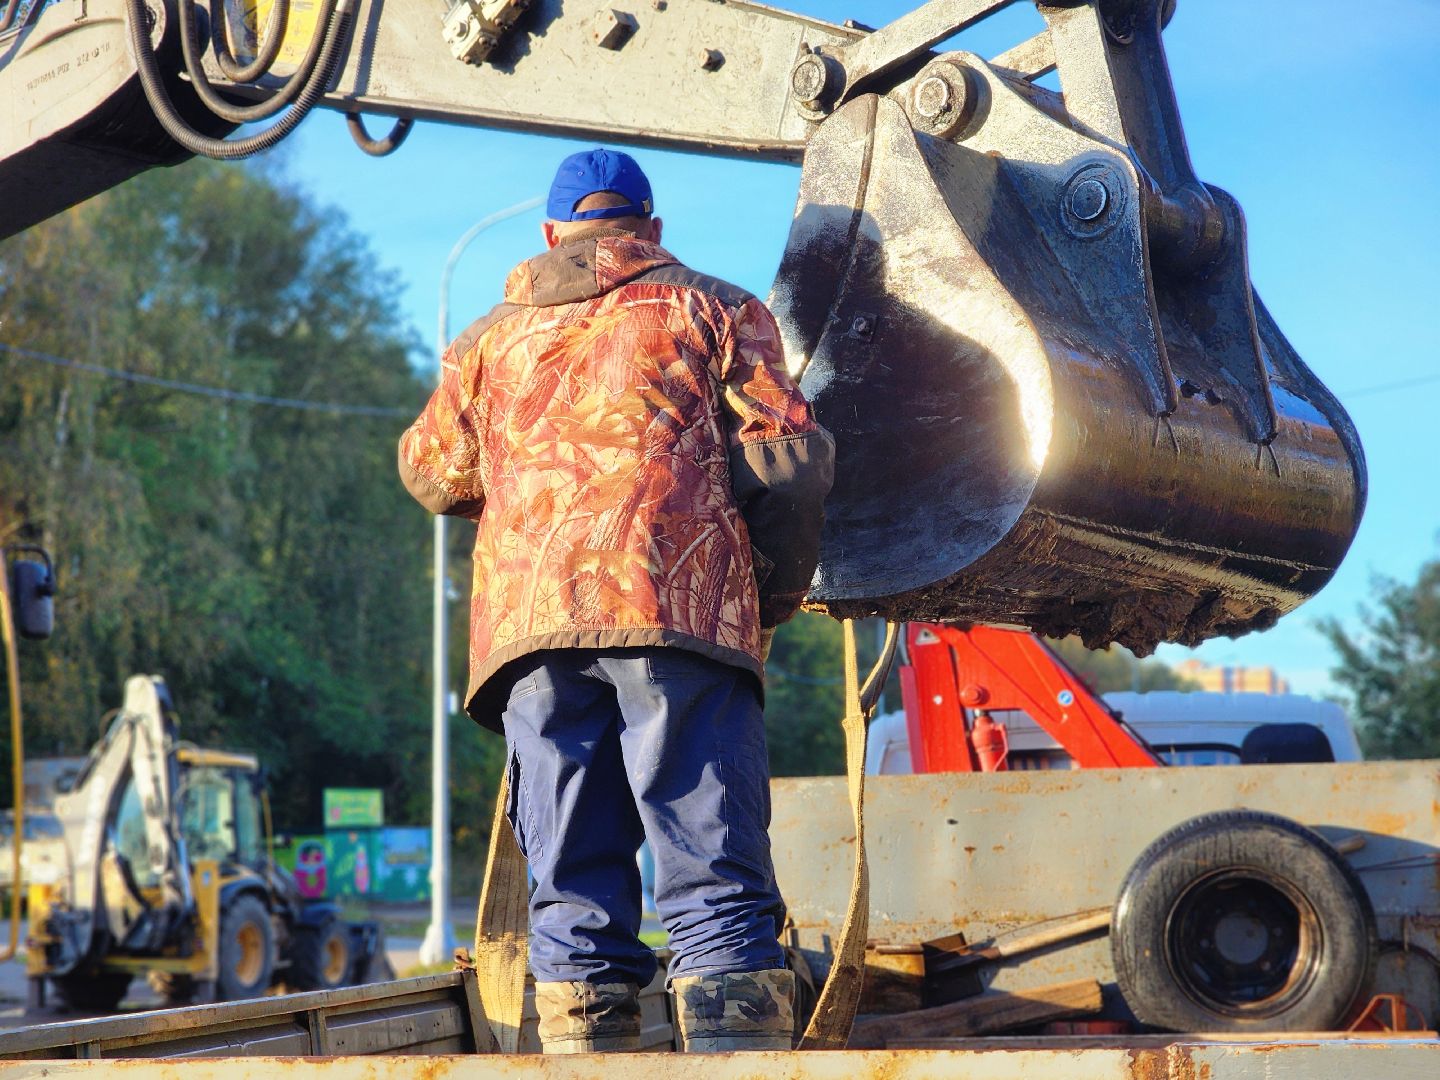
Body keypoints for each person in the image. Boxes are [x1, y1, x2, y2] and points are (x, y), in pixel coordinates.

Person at [398, 148, 834, 1054]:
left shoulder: (484, 342)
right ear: (651, 230)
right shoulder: (716, 308)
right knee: (710, 868)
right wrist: (768, 593)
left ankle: (582, 1058)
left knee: (570, 884)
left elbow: (430, 472)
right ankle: (735, 1066)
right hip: (678, 614)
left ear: (553, 234)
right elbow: (788, 458)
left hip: (530, 636)